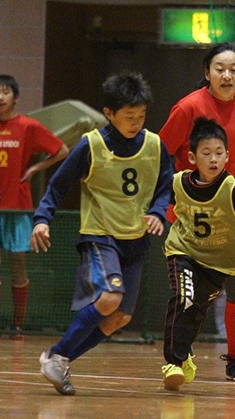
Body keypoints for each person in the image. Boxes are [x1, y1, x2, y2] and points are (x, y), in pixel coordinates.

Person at [32, 71, 172, 395]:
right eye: (128, 117)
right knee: (109, 298)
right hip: (100, 235)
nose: (136, 122)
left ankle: (61, 359)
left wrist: (156, 212)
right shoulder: (91, 145)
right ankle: (55, 354)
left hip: (135, 241)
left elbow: (166, 187)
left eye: (141, 116)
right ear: (109, 113)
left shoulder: (154, 145)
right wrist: (42, 218)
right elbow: (58, 185)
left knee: (119, 318)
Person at [158, 43, 235, 381]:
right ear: (207, 72)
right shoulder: (189, 107)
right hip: (196, 216)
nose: (227, 74)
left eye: (234, 68)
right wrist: (164, 203)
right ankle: (179, 353)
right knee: (195, 295)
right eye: (219, 68)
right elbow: (162, 153)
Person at [160, 117, 235, 390]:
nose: (213, 159)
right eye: (206, 153)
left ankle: (186, 352)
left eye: (218, 153)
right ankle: (173, 363)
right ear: (192, 157)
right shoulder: (178, 183)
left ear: (227, 157)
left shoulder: (232, 190)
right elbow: (154, 196)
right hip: (183, 251)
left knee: (197, 310)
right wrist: (150, 214)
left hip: (218, 263)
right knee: (184, 297)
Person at [0, 75, 70, 339]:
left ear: (15, 97)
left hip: (18, 205)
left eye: (5, 92)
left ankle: (18, 325)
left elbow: (61, 150)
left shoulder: (28, 126)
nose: (0, 97)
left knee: (18, 262)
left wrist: (34, 169)